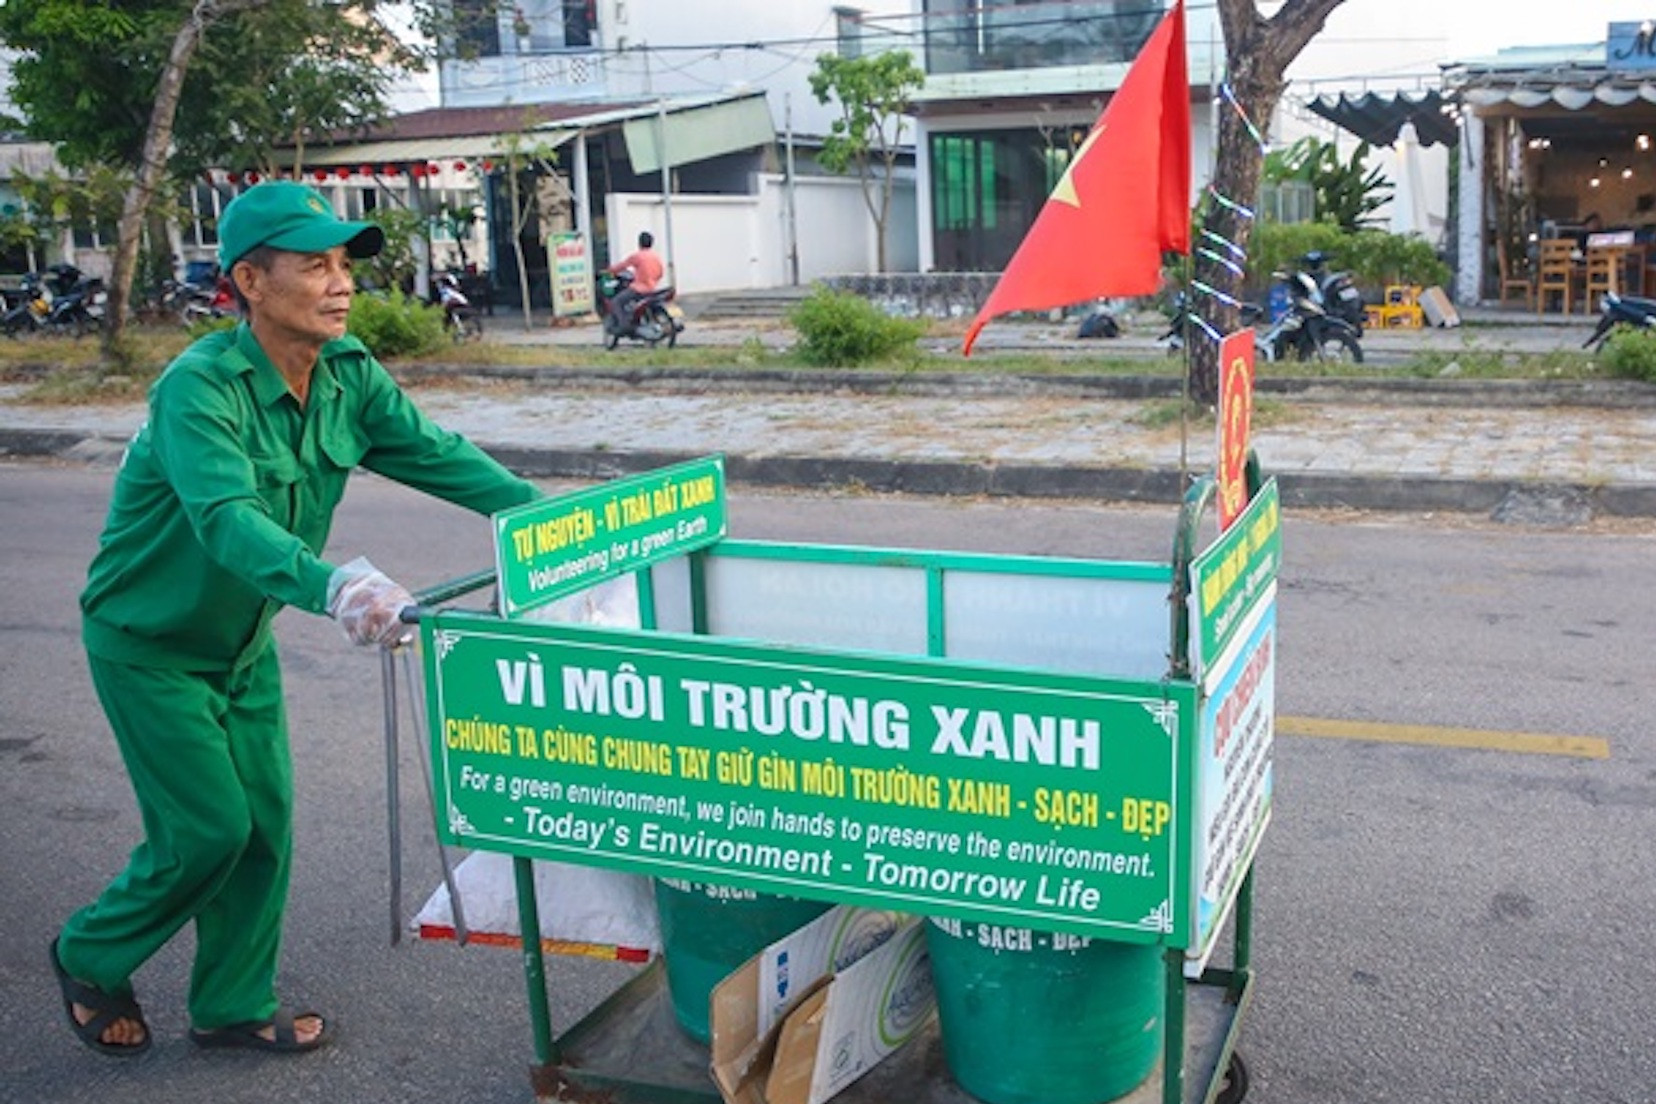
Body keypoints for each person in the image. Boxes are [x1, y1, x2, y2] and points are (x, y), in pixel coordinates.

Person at [50, 181, 541, 1058]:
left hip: (241, 643)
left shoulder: (348, 374)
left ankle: (231, 1003)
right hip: (149, 643)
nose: (341, 283)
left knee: (265, 827)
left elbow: (441, 458)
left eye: (345, 264)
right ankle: (89, 951)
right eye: (315, 266)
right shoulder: (199, 391)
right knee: (208, 829)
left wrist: (561, 528)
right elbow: (227, 520)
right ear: (250, 280)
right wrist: (336, 587)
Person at [603, 230, 664, 328]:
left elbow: (622, 266)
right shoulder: (656, 257)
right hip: (652, 289)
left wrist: (609, 270)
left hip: (639, 289)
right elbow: (660, 273)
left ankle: (624, 324)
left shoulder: (637, 256)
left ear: (639, 243)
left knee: (616, 302)